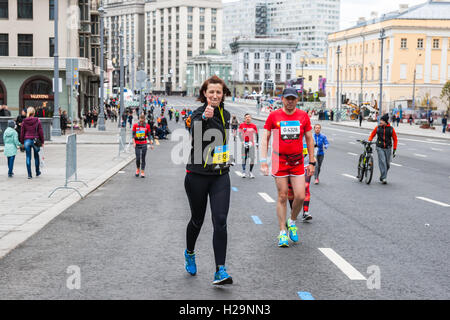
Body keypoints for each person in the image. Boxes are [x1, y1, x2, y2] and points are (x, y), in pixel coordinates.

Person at [184, 75, 233, 285]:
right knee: (197, 220)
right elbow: (193, 133)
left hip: (220, 175)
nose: (214, 95)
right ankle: (190, 252)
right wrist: (204, 118)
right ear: (205, 93)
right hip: (197, 176)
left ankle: (220, 270)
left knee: (220, 221)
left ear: (223, 95)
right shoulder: (197, 113)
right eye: (211, 92)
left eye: (218, 92)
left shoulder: (227, 114)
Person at [260, 87, 316, 248]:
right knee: (283, 196)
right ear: (282, 99)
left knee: (300, 196)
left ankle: (292, 221)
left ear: (297, 100)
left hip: (297, 161)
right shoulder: (274, 116)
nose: (290, 101)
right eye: (287, 98)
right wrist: (263, 160)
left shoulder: (303, 116)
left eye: (293, 98)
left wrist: (312, 161)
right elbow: (265, 138)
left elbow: (310, 139)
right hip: (279, 161)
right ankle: (282, 232)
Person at [368, 113, 398, 184]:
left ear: (385, 121)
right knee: (382, 162)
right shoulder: (378, 128)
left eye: (381, 120)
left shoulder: (391, 129)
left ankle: (382, 176)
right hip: (379, 147)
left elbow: (395, 139)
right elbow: (372, 134)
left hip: (388, 148)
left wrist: (394, 149)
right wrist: (369, 140)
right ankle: (384, 178)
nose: (380, 122)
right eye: (380, 120)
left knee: (387, 164)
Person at [288, 142, 312, 221]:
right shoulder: (290, 133)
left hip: (306, 165)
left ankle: (305, 212)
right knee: (291, 190)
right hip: (292, 165)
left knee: (306, 187)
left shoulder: (308, 134)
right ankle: (293, 211)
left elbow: (312, 147)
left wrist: (312, 162)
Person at [20, 107, 44, 179]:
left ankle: (29, 175)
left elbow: (22, 133)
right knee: (36, 157)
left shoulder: (24, 121)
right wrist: (42, 141)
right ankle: (37, 172)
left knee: (28, 157)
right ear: (34, 113)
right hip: (35, 140)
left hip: (27, 140)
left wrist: (22, 142)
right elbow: (40, 132)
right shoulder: (37, 121)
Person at [132, 114, 154, 178]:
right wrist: (134, 143)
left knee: (143, 158)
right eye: (140, 121)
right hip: (137, 143)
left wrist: (151, 144)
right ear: (139, 120)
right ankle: (138, 169)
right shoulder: (135, 125)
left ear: (144, 120)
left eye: (142, 121)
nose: (141, 122)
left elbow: (149, 136)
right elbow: (133, 135)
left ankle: (142, 171)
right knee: (138, 158)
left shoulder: (147, 126)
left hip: (144, 143)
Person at [238, 113, 258, 178]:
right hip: (244, 144)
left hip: (251, 144)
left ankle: (250, 172)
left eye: (249, 117)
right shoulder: (242, 125)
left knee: (252, 159)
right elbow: (239, 134)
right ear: (245, 119)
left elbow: (257, 135)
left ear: (251, 118)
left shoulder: (254, 126)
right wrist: (242, 141)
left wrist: (257, 143)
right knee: (244, 158)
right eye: (246, 117)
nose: (248, 118)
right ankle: (243, 172)